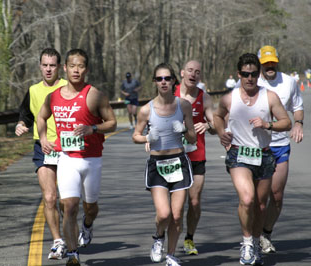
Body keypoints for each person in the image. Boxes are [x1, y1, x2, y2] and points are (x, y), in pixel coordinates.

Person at [37, 48, 117, 266]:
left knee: (90, 208)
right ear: (65, 68)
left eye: (80, 66)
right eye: (72, 66)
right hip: (67, 159)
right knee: (69, 206)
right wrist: (43, 138)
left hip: (92, 159)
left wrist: (93, 128)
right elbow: (41, 117)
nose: (76, 70)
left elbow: (112, 123)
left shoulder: (95, 95)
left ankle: (88, 224)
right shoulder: (53, 97)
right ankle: (73, 255)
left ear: (86, 69)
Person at [213, 53, 291, 265]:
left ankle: (256, 242)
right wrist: (222, 133)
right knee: (247, 199)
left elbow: (287, 122)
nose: (250, 78)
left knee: (260, 206)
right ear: (239, 74)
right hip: (238, 153)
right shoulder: (230, 98)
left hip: (264, 155)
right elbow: (217, 117)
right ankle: (247, 243)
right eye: (246, 74)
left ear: (259, 75)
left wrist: (268, 125)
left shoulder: (270, 96)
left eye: (254, 74)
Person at [132, 63, 196, 266]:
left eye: (167, 78)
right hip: (157, 164)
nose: (163, 82)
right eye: (159, 79)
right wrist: (146, 138)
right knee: (164, 214)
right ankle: (158, 237)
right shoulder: (146, 110)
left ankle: (170, 255)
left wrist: (184, 129)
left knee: (177, 216)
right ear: (155, 82)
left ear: (174, 80)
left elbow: (193, 138)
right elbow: (135, 136)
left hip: (179, 162)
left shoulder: (183, 105)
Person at [15, 48, 67, 260]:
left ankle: (72, 228)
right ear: (39, 66)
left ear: (59, 67)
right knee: (49, 197)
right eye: (44, 65)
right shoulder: (33, 90)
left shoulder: (68, 87)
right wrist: (20, 125)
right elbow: (25, 116)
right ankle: (58, 241)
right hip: (42, 147)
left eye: (52, 65)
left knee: (67, 201)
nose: (48, 69)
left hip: (66, 147)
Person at [257, 45, 304, 254]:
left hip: (280, 144)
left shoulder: (289, 82)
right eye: (266, 62)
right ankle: (250, 236)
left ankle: (265, 233)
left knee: (276, 196)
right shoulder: (251, 82)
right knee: (258, 198)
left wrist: (298, 123)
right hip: (257, 145)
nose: (270, 66)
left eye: (272, 62)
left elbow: (298, 106)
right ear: (260, 64)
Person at [174, 60, 216, 255]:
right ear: (182, 72)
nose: (193, 74)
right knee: (175, 204)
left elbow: (216, 125)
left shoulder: (204, 98)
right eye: (190, 70)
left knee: (195, 201)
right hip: (172, 156)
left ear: (200, 76)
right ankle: (168, 238)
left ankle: (189, 238)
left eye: (197, 72)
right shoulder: (169, 94)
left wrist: (208, 126)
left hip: (196, 154)